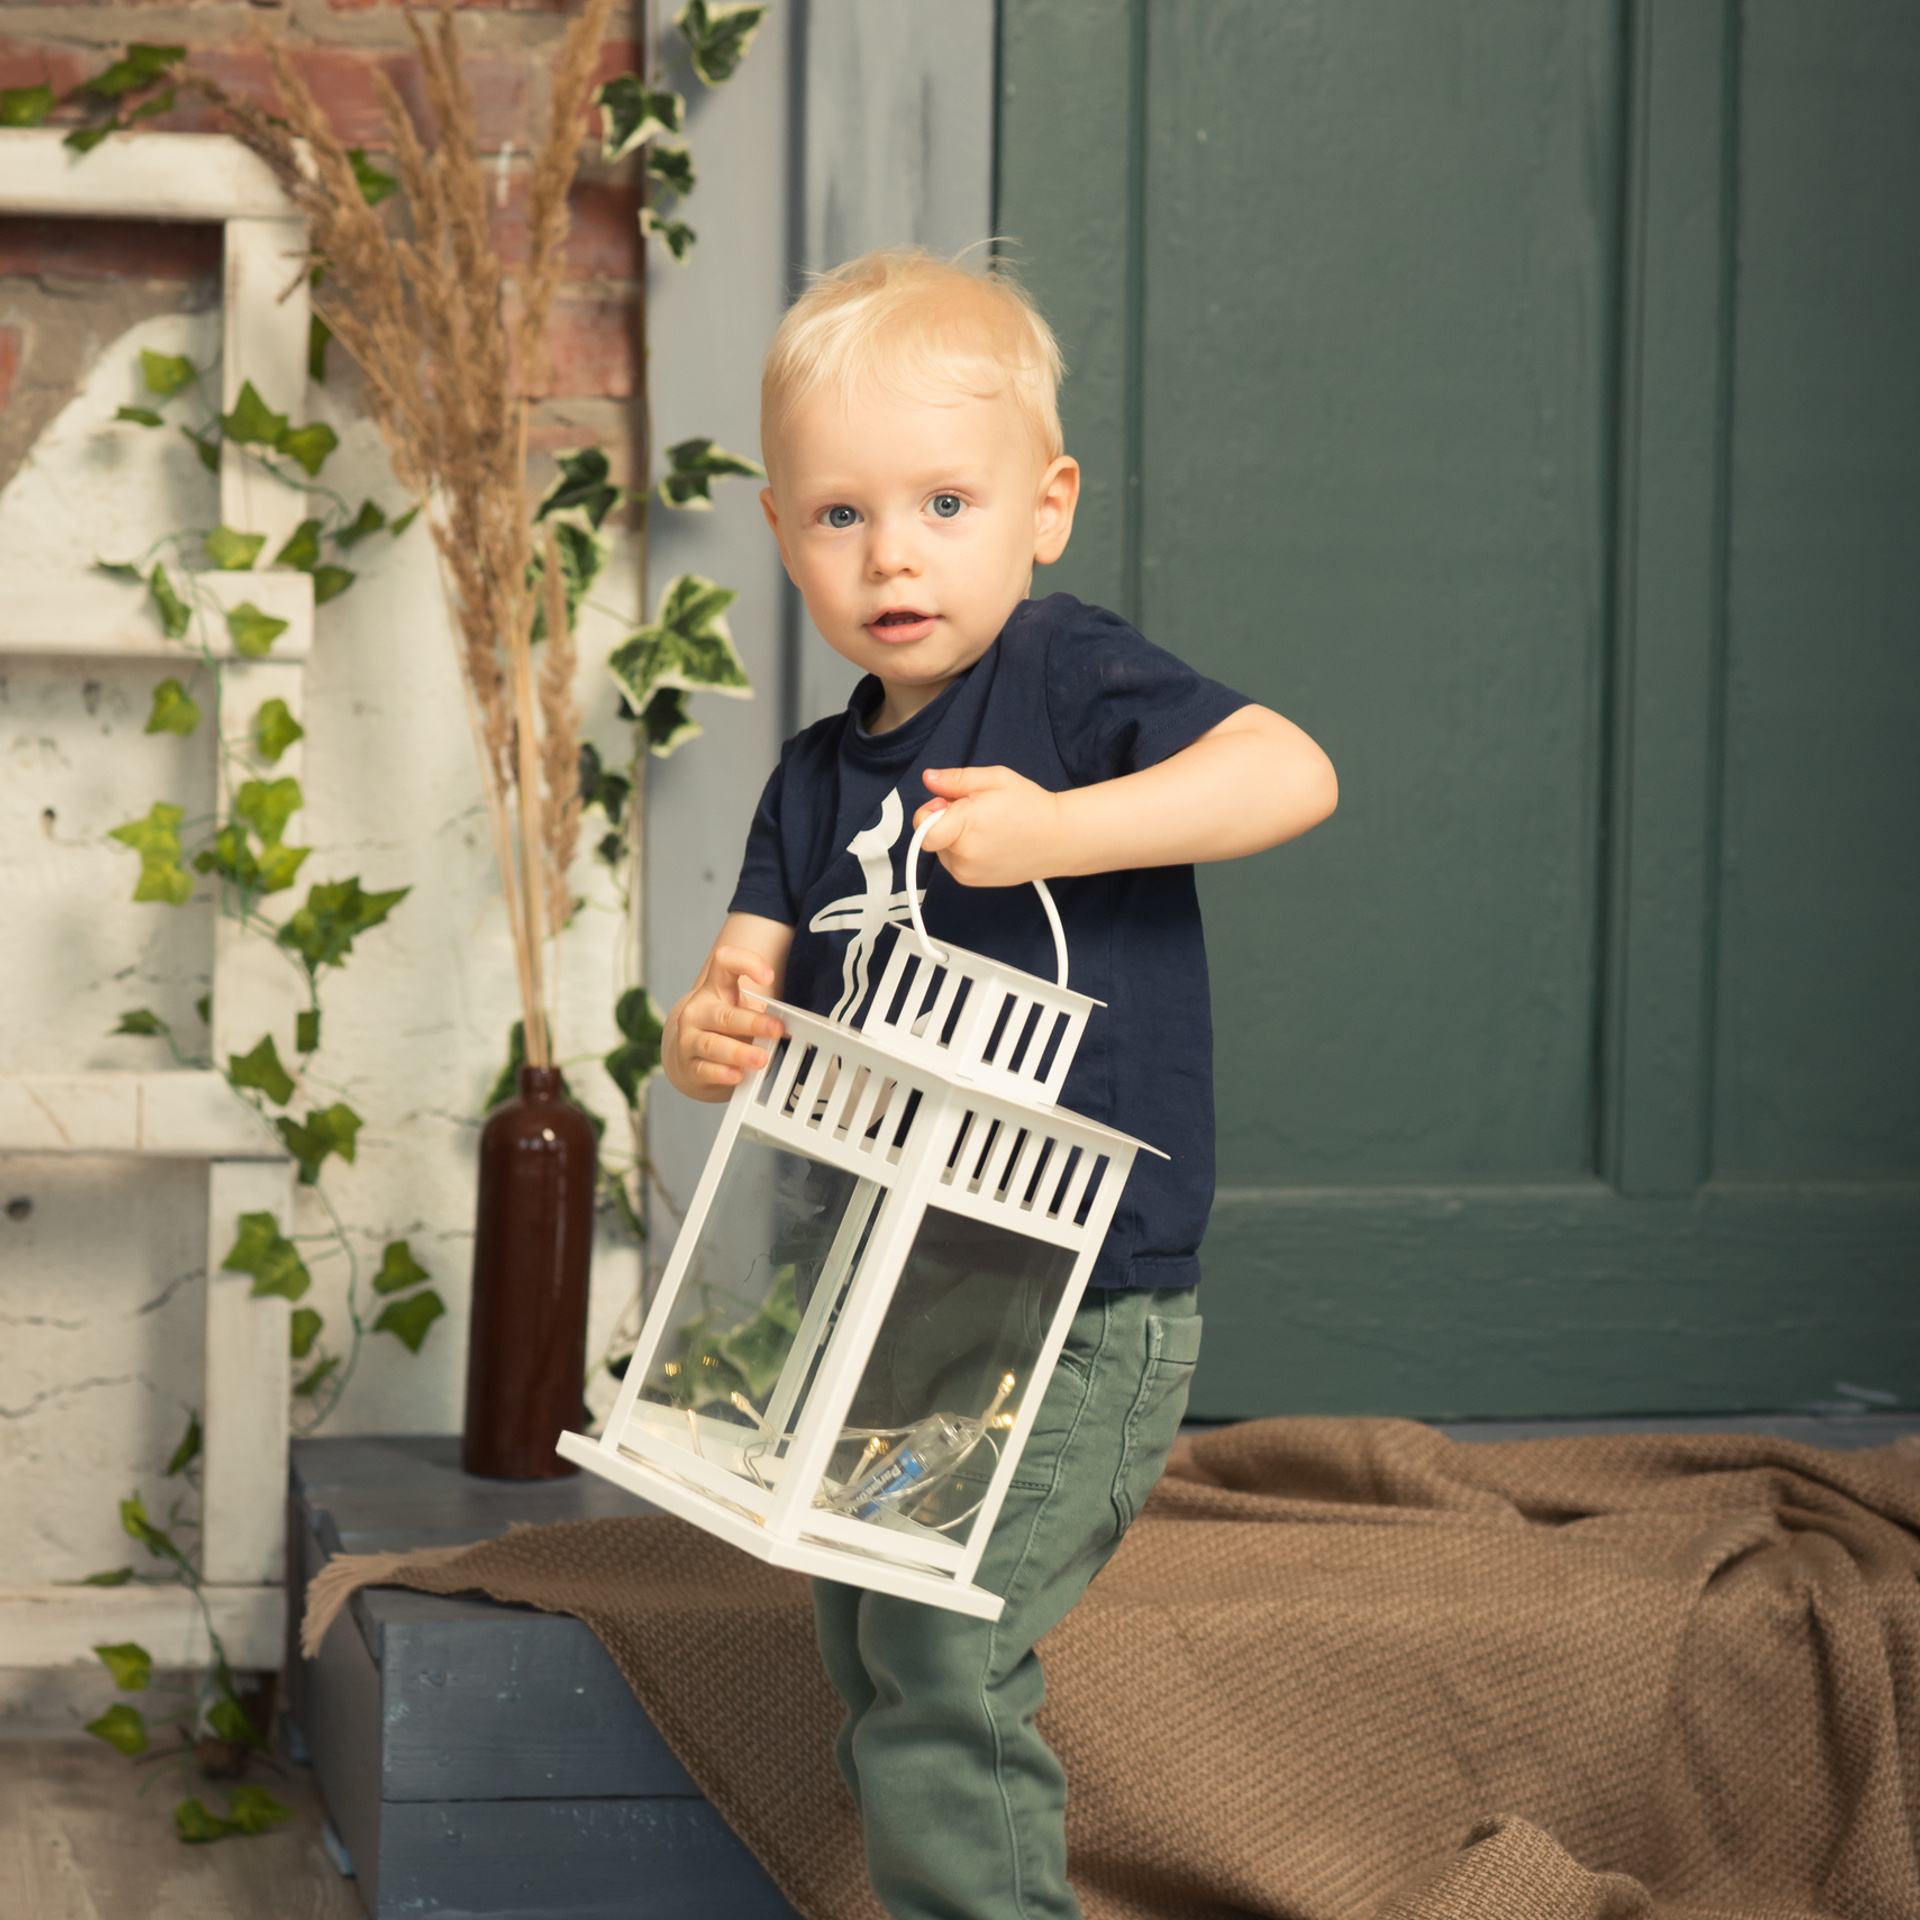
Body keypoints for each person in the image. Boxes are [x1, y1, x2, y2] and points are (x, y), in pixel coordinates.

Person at [660, 247, 1338, 1920]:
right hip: (894, 1294)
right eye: (841, 515)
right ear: (783, 533)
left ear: (1046, 510)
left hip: (1080, 1298)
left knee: (943, 1662)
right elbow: (741, 983)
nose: (891, 553)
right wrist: (707, 1035)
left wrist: (1061, 830)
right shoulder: (813, 780)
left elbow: (1290, 772)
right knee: (866, 1635)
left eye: (945, 504)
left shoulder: (1068, 679)